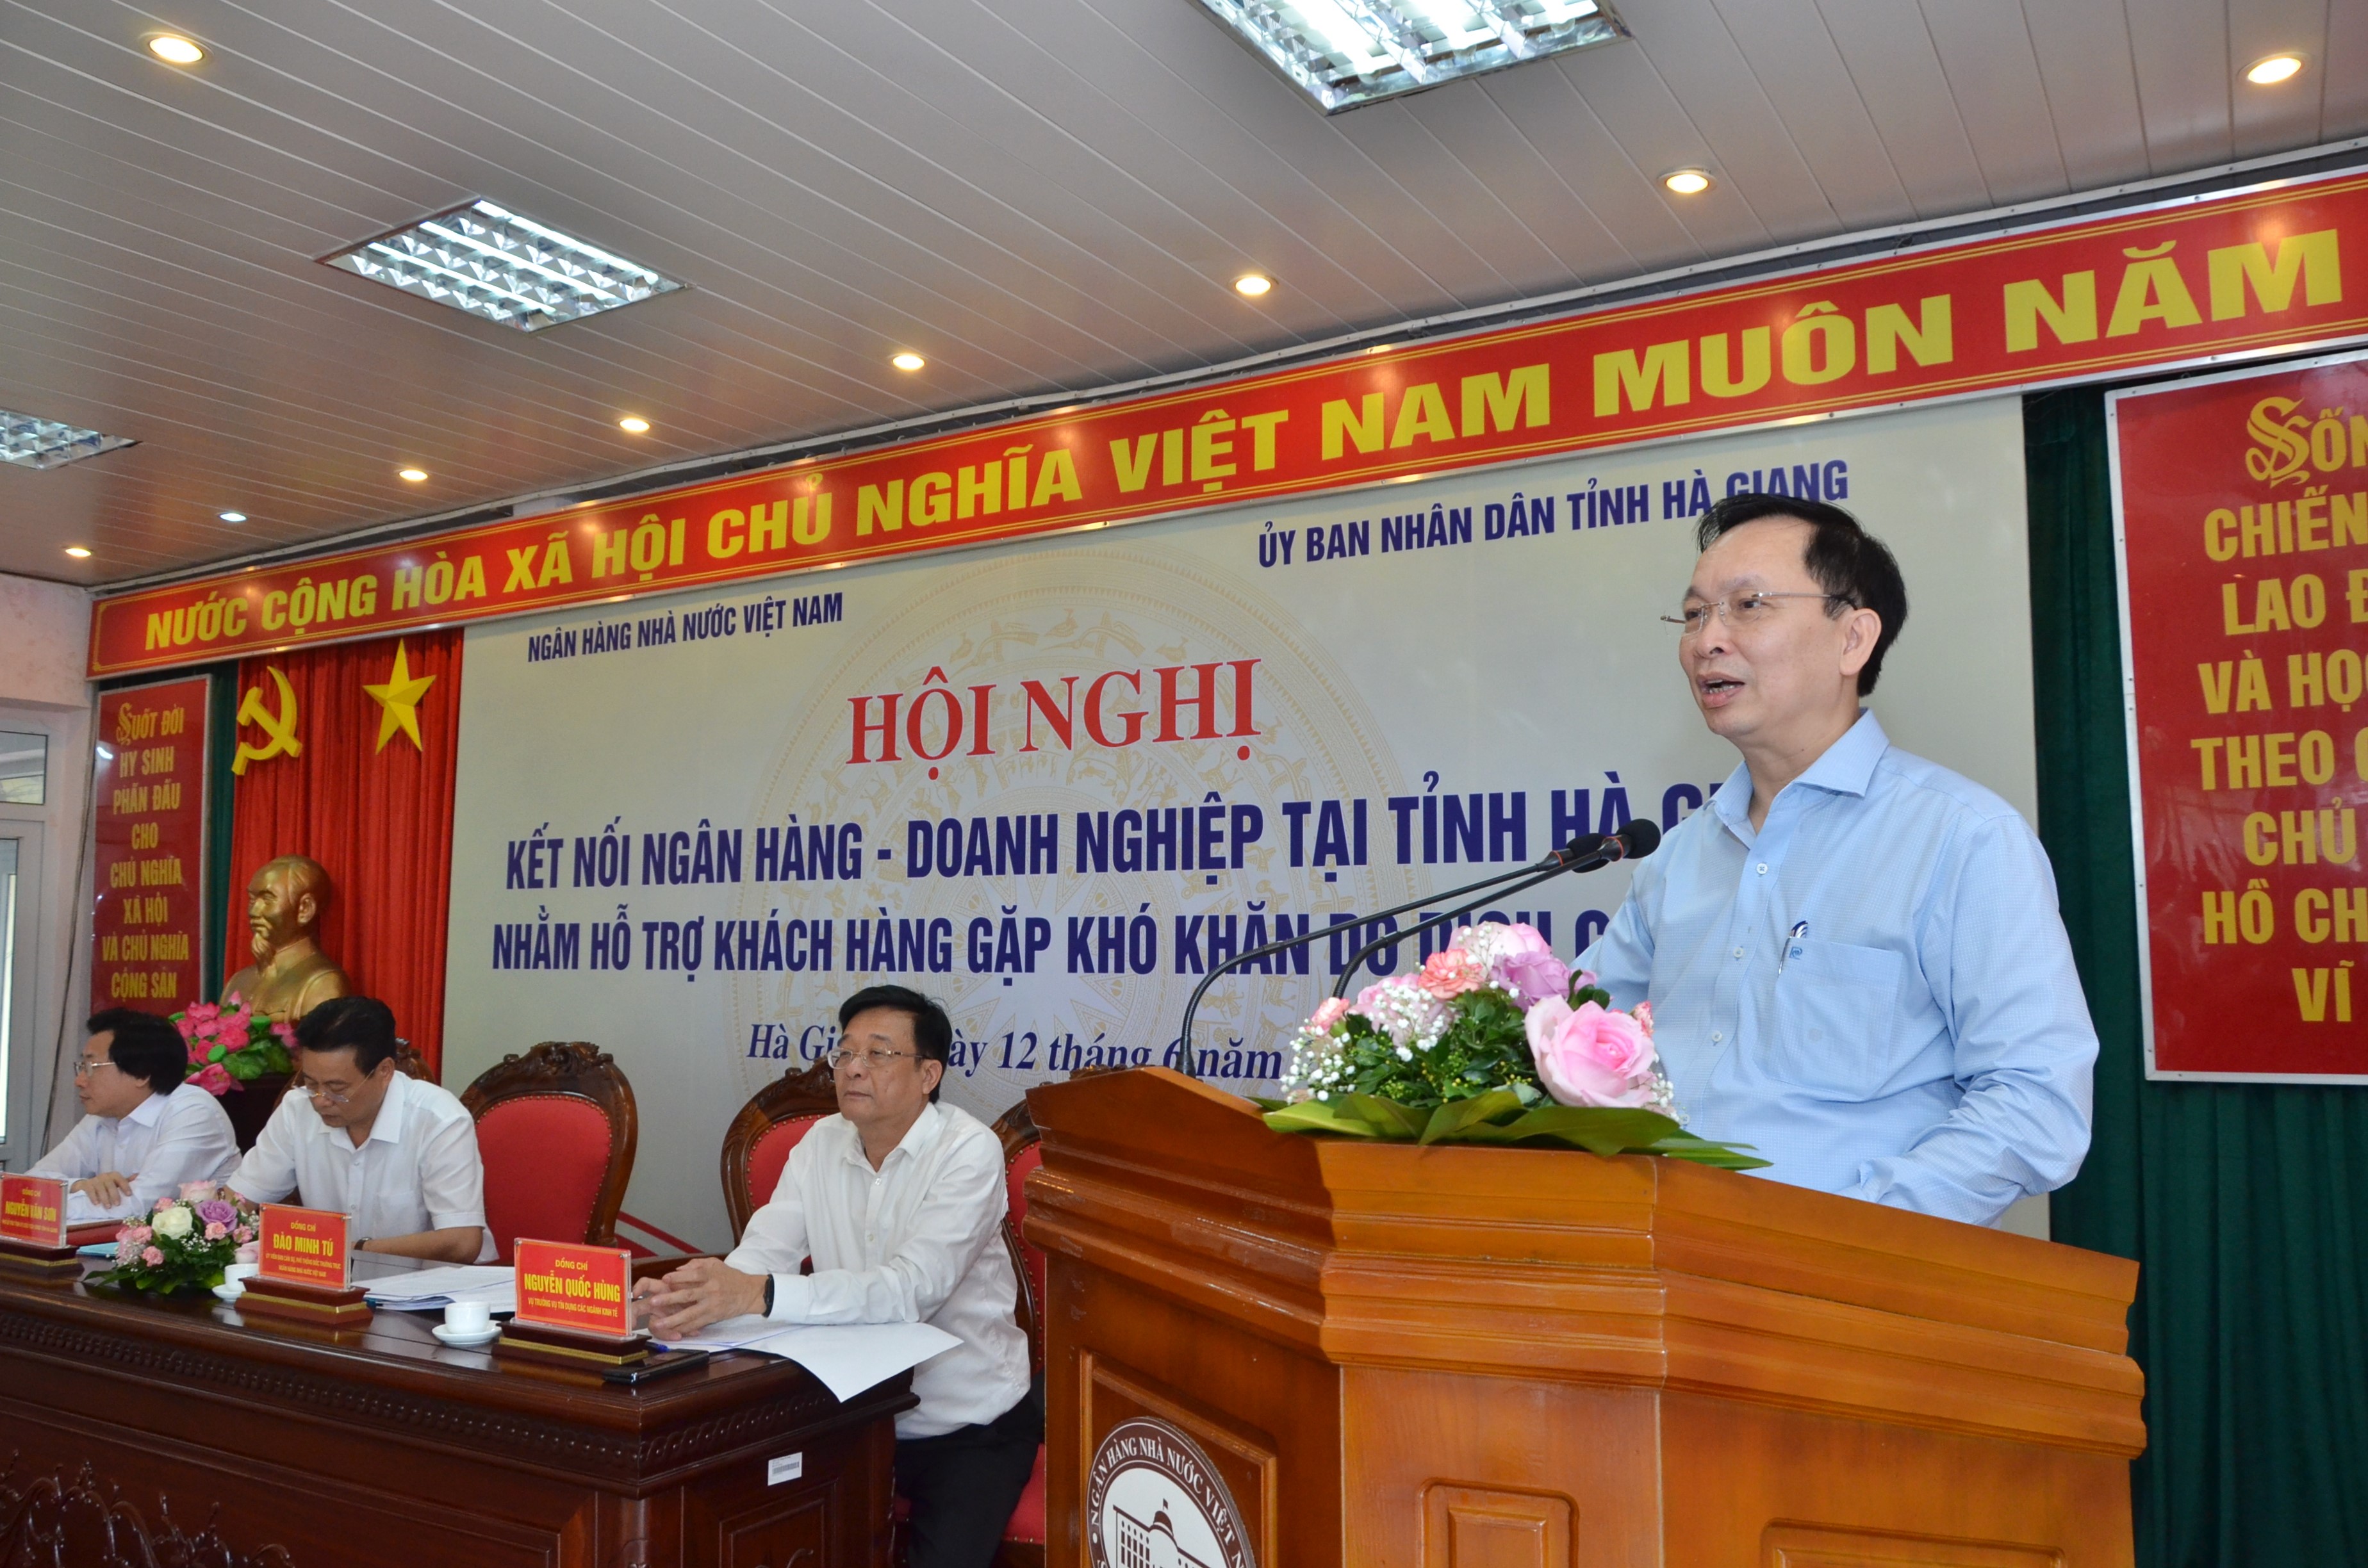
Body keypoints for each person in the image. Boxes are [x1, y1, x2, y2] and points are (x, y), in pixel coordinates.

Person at [1580, 493, 2095, 1227]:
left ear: (1853, 639)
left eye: (1748, 606)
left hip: (1844, 1272)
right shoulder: (1678, 859)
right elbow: (1576, 1042)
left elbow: (2036, 1106)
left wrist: (1843, 1230)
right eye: (1694, 615)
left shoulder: (1963, 839)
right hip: (1662, 1262)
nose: (1707, 641)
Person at [636, 986, 1035, 1568]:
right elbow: (762, 1256)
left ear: (928, 1075)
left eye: (878, 1054)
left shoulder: (968, 1152)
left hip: (966, 1424)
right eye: (844, 1052)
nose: (853, 1068)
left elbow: (910, 1291)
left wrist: (759, 1294)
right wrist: (689, 1299)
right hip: (844, 1413)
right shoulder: (820, 1143)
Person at [228, 996, 490, 1262]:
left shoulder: (439, 1120)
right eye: (311, 1084)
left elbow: (462, 1242)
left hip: (429, 1283)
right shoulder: (297, 1109)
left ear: (385, 1071)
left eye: (337, 1088)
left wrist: (348, 1251)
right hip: (326, 1281)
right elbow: (238, 1201)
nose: (320, 1101)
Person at [31, 1009, 238, 1225]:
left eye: (91, 1067)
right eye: (81, 1067)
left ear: (141, 1073)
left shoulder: (193, 1112)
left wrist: (50, 1202)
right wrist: (79, 1186)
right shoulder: (102, 1115)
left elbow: (140, 1205)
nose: (80, 1081)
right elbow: (31, 1182)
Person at [221, 853, 352, 1024]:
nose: (254, 912)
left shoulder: (323, 983)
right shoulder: (238, 981)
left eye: (268, 900)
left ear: (305, 909)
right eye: (252, 900)